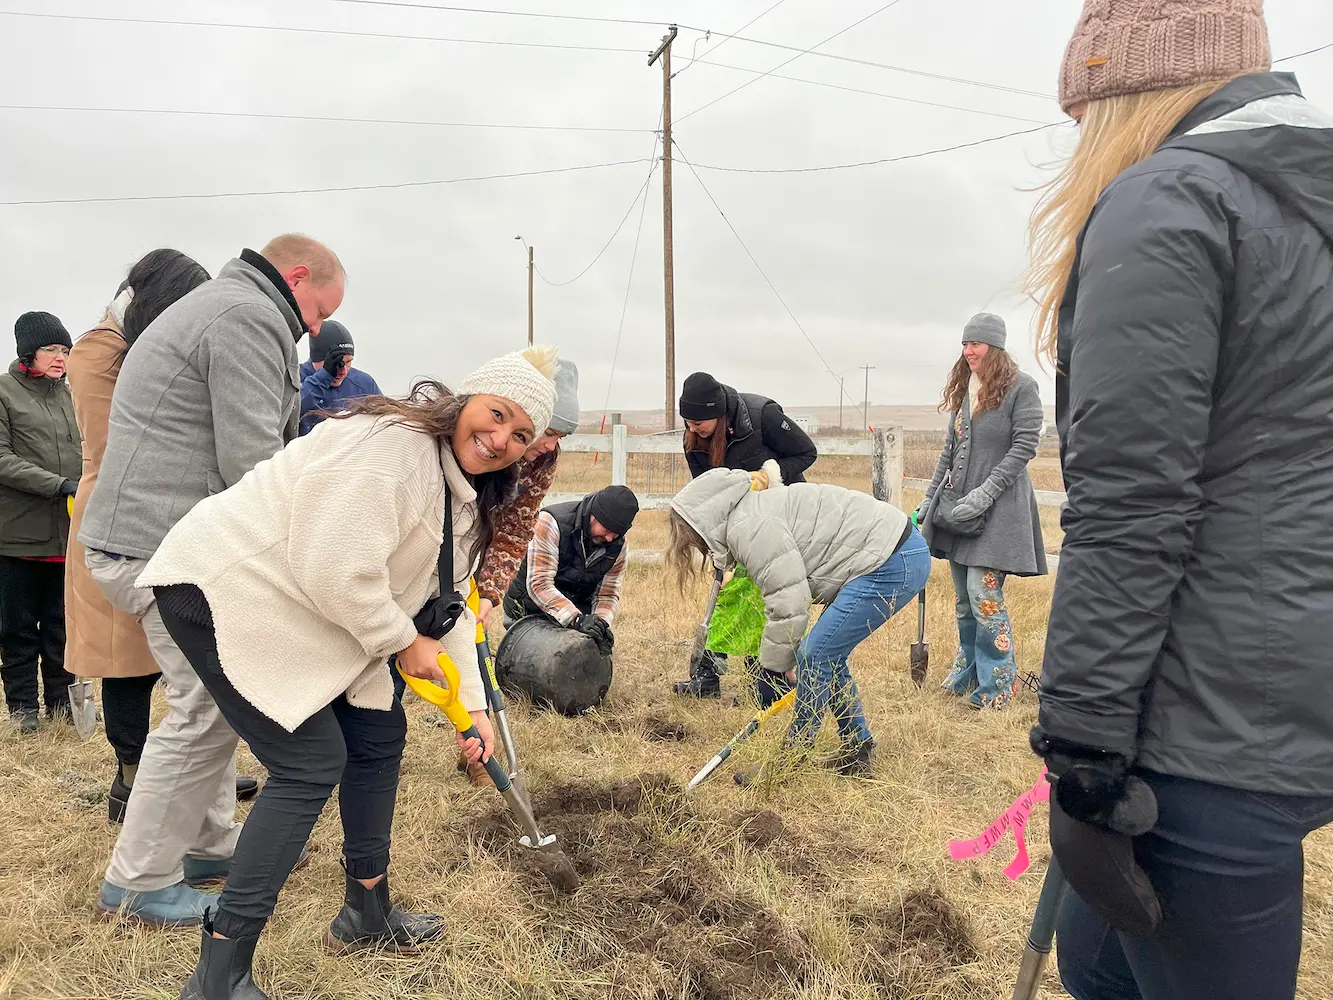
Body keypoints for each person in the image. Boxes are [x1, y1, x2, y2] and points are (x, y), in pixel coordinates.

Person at [1023, 3, 1333, 999]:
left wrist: (1082, 752)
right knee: (1097, 964)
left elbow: (1130, 506)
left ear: (1122, 92)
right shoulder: (1306, 210)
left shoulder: (1170, 201)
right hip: (1298, 685)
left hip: (1208, 727)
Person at [135, 348, 557, 998]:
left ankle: (366, 911)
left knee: (378, 734)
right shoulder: (392, 449)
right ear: (465, 399)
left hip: (308, 607)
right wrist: (399, 640)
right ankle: (219, 971)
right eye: (497, 414)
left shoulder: (464, 500)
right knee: (309, 763)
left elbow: (447, 614)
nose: (501, 438)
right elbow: (334, 568)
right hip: (225, 588)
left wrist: (472, 711)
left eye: (521, 435)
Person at [80, 233, 345, 926]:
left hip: (159, 542)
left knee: (214, 700)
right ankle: (138, 882)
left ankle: (203, 846)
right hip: (160, 552)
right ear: (294, 277)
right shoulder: (248, 319)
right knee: (201, 702)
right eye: (319, 310)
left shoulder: (229, 307)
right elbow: (254, 464)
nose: (317, 329)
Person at [63, 250, 259, 823]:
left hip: (159, 519)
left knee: (178, 657)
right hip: (122, 519)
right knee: (126, 659)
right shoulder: (99, 353)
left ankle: (191, 776)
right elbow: (118, 447)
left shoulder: (134, 344)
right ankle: (132, 775)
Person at [666, 463, 929, 784]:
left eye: (692, 539)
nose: (697, 547)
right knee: (825, 653)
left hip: (891, 559)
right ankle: (857, 747)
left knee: (816, 655)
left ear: (703, 522)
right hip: (894, 551)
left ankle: (790, 760)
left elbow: (789, 599)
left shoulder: (749, 527)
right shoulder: (749, 515)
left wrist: (779, 665)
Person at [918, 313, 1046, 710]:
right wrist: (931, 497)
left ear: (995, 347)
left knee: (983, 593)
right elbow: (949, 451)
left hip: (1000, 506)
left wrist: (986, 493)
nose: (968, 351)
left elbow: (1024, 448)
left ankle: (1000, 683)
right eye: (964, 344)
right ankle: (968, 671)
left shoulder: (1022, 388)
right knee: (962, 597)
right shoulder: (966, 389)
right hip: (958, 508)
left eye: (975, 343)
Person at [673, 371, 817, 701]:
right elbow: (708, 491)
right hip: (738, 523)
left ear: (720, 413)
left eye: (700, 422)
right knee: (728, 593)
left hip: (782, 517)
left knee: (769, 598)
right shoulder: (693, 440)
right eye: (688, 423)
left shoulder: (761, 416)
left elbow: (806, 453)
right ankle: (707, 675)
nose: (694, 430)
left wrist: (768, 476)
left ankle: (767, 679)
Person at [0, 311, 81, 733]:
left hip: (65, 535)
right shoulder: (3, 392)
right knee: (17, 629)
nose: (61, 357)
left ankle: (62, 704)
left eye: (65, 350)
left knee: (60, 626)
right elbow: (2, 460)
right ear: (28, 350)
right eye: (52, 348)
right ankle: (23, 709)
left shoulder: (69, 395)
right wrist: (61, 485)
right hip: (16, 537)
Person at [473, 359, 581, 622]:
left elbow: (516, 529)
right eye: (549, 432)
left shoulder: (544, 459)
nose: (551, 445)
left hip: (475, 565)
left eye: (560, 438)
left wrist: (488, 593)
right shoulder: (484, 447)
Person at [503, 484, 639, 644]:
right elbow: (539, 585)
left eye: (617, 534)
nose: (610, 538)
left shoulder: (618, 546)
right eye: (607, 529)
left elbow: (606, 594)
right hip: (528, 610)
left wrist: (599, 625)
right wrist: (577, 620)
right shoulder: (551, 523)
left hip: (576, 614)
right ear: (594, 515)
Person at [299, 319, 381, 435]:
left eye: (348, 362)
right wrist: (324, 376)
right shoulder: (293, 377)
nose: (343, 371)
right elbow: (292, 409)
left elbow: (385, 422)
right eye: (337, 363)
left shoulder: (364, 384)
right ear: (316, 358)